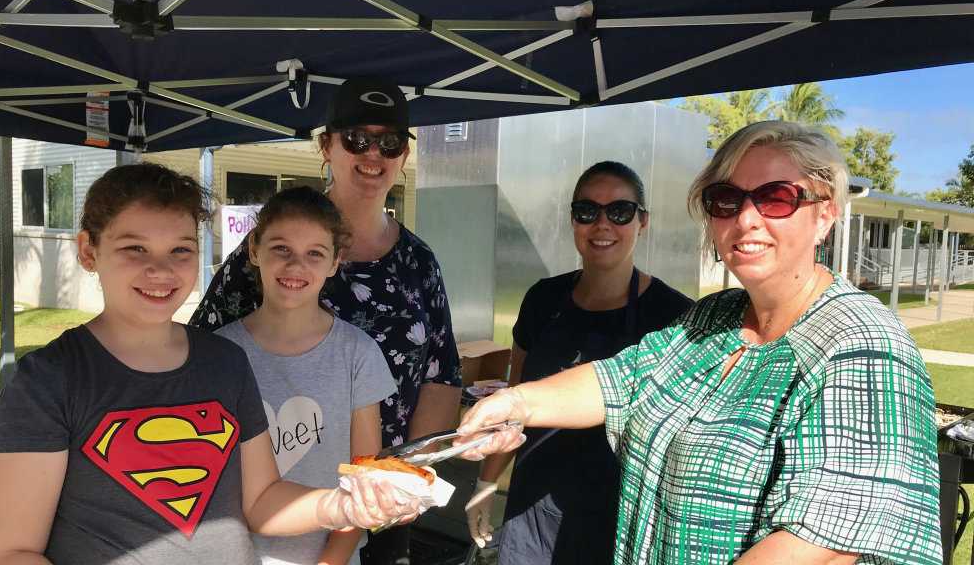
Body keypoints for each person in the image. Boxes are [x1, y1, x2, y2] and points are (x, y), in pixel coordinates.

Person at [454, 121, 942, 565]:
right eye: (726, 200)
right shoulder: (716, 316)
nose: (746, 219)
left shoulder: (864, 343)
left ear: (825, 215)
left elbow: (826, 541)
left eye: (775, 198)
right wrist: (516, 401)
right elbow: (619, 380)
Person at [0, 164, 421, 565]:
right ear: (89, 251)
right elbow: (2, 553)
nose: (161, 270)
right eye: (135, 249)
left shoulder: (225, 362)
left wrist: (344, 507)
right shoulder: (48, 381)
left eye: (180, 250)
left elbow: (261, 499)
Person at [190, 77, 462, 564]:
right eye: (357, 139)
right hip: (249, 513)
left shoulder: (419, 263)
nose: (373, 154)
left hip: (376, 503)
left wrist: (401, 484)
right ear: (326, 146)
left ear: (403, 155)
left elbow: (441, 378)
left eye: (390, 142)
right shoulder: (265, 249)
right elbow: (199, 356)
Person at [464, 161, 692, 563]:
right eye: (587, 211)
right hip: (533, 510)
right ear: (573, 220)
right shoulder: (543, 299)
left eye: (619, 211)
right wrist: (485, 482)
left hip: (621, 519)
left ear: (643, 222)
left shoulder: (675, 316)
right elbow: (514, 401)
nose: (602, 224)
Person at [216, 186, 397, 565]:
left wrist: (331, 561)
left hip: (332, 555)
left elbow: (364, 476)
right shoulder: (218, 354)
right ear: (254, 249)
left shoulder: (358, 354)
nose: (296, 266)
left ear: (335, 262)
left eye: (314, 253)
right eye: (281, 249)